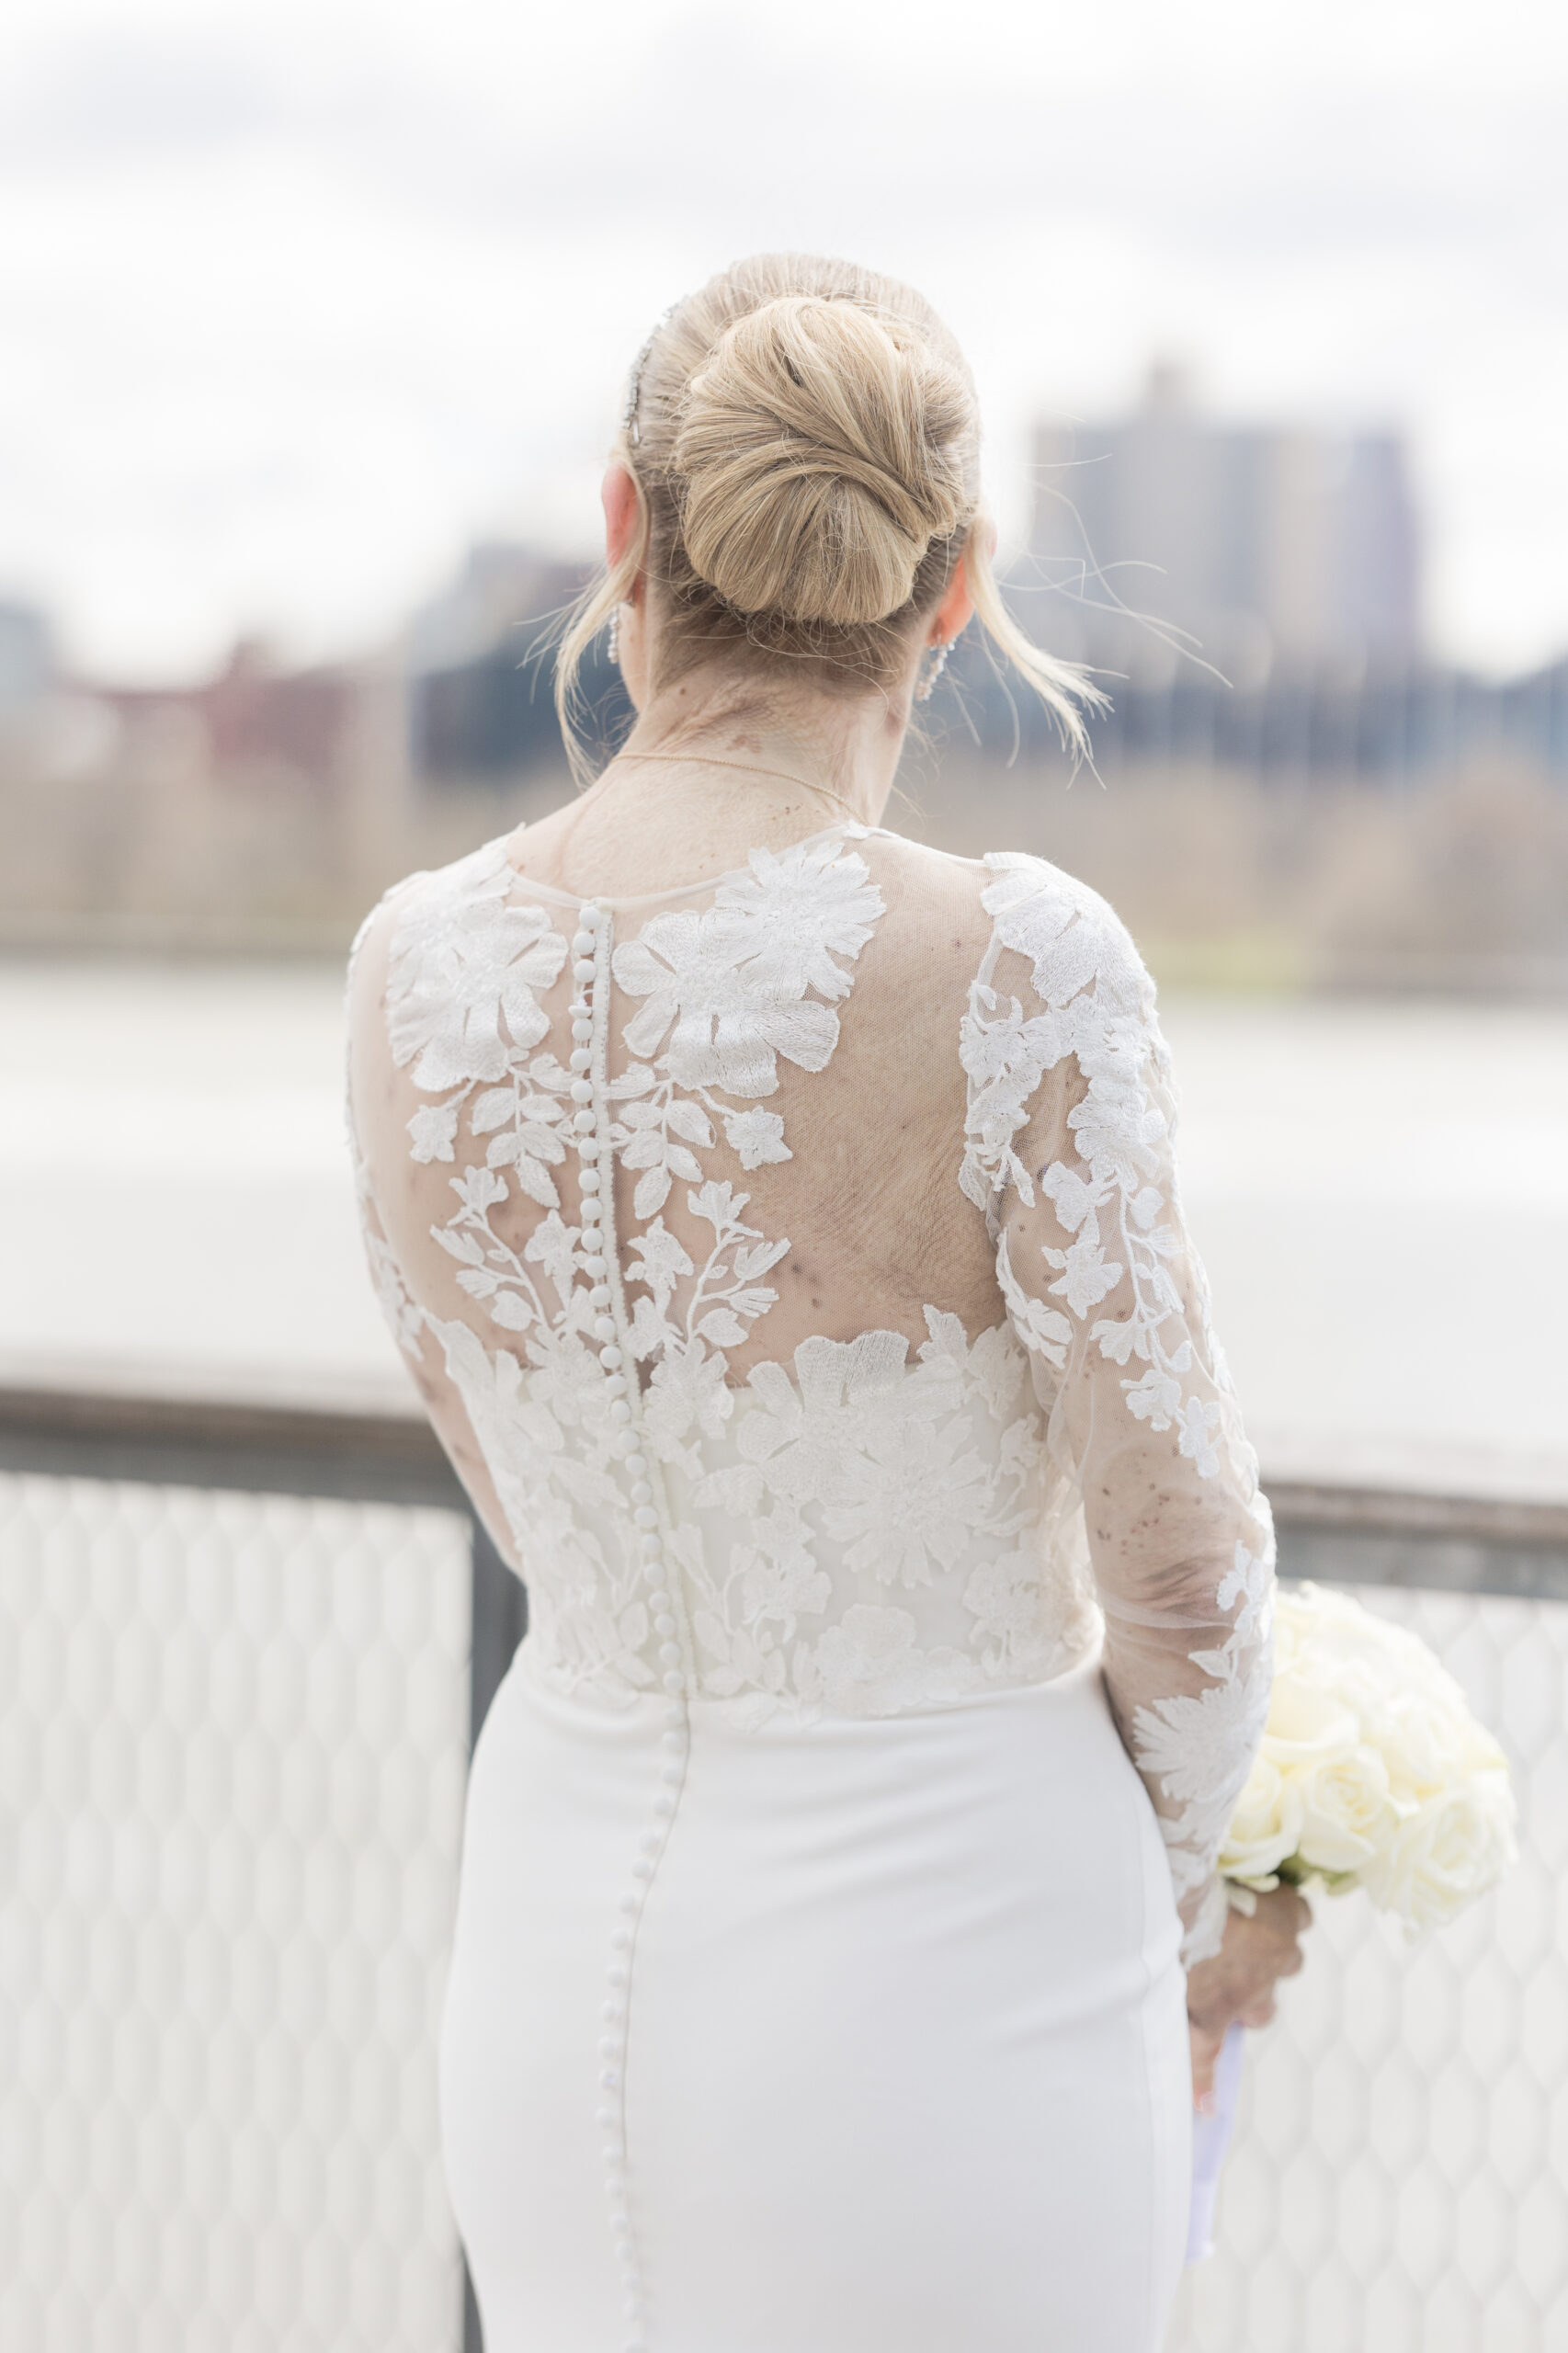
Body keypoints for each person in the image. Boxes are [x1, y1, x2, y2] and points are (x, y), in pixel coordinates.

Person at [347, 252, 1306, 2353]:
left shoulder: (406, 967)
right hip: (959, 1974)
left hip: (557, 1937)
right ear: (948, 591)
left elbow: (525, 1497)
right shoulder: (1016, 963)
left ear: (625, 531)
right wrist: (1193, 1888)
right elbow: (1185, 1578)